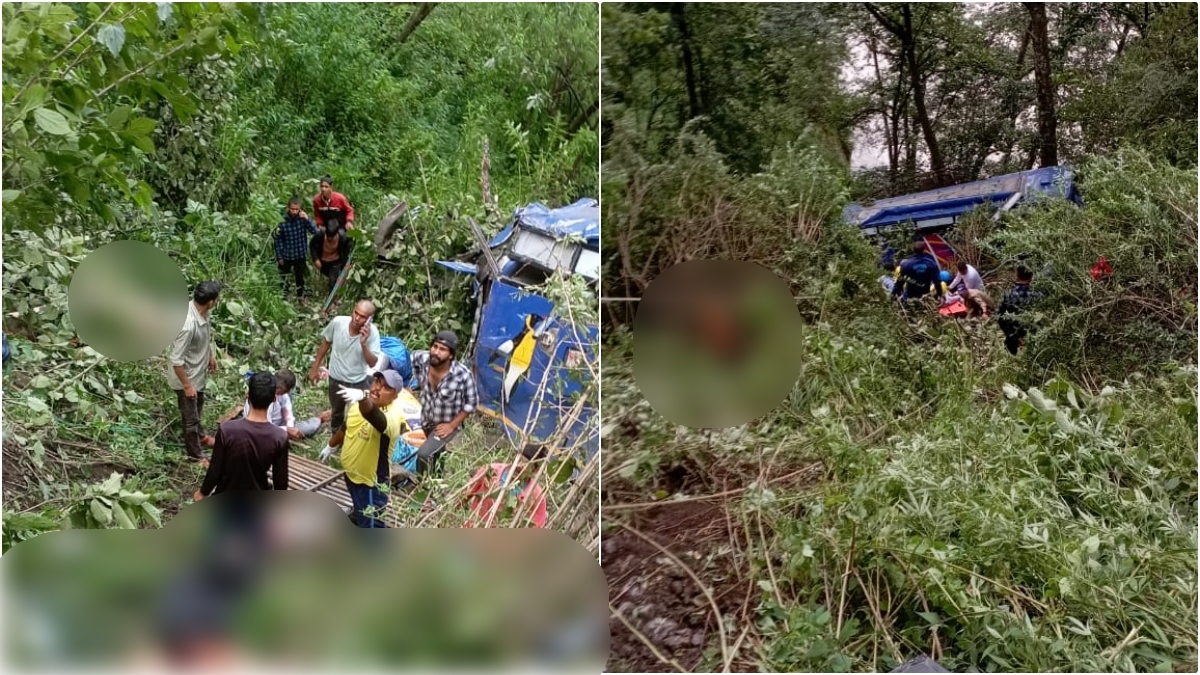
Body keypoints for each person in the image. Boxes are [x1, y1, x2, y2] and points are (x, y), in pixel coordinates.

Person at [325, 369, 408, 528]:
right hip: (351, 475)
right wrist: (331, 445)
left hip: (371, 485)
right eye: (377, 381)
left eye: (386, 387)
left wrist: (363, 398)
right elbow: (346, 427)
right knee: (359, 508)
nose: (377, 388)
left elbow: (372, 415)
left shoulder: (392, 418)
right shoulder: (361, 401)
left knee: (372, 528)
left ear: (395, 396)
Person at [194, 371, 290, 499]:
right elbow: (280, 481)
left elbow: (215, 470)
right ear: (273, 399)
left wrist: (202, 493)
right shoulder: (279, 437)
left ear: (248, 396)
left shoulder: (227, 430)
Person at [310, 301, 383, 460]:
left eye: (362, 317)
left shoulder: (373, 334)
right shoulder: (338, 323)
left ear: (369, 319)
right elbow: (325, 343)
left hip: (357, 382)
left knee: (355, 417)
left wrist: (363, 343)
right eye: (355, 313)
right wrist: (315, 367)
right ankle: (334, 444)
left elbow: (372, 363)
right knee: (336, 413)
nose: (356, 318)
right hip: (335, 379)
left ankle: (352, 446)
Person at [411, 330, 479, 477]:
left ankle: (422, 487)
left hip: (446, 424)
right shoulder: (423, 359)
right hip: (426, 418)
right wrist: (412, 383)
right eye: (434, 346)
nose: (436, 352)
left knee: (423, 454)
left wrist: (452, 425)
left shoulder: (462, 375)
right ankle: (437, 483)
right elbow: (411, 359)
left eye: (442, 349)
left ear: (451, 355)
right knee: (437, 451)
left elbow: (472, 403)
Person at [169, 281, 221, 465]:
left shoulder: (203, 313)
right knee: (190, 419)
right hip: (186, 377)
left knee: (198, 405)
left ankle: (202, 437)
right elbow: (176, 361)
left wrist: (210, 355)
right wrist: (187, 385)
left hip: (197, 373)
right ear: (211, 302)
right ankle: (195, 455)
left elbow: (205, 337)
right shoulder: (188, 325)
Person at [216, 370, 331, 441]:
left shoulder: (282, 394)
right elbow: (263, 428)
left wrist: (289, 426)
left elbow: (287, 410)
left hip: (274, 425)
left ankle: (318, 419)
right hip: (262, 429)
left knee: (307, 428)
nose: (281, 394)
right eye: (281, 391)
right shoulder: (263, 396)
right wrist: (286, 430)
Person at [463, 443, 550, 528]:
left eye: (525, 464)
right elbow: (465, 494)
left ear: (535, 469)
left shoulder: (536, 495)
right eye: (519, 459)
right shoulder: (492, 471)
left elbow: (537, 525)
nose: (519, 465)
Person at [273, 198, 317, 300]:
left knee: (300, 278)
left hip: (300, 254)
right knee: (283, 277)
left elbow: (315, 231)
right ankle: (283, 297)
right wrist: (279, 256)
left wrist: (307, 219)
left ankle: (300, 297)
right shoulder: (282, 221)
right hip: (286, 255)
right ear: (288, 208)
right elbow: (278, 240)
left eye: (297, 209)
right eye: (292, 209)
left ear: (300, 209)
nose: (294, 211)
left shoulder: (302, 219)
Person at [997, 265, 1041, 355]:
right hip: (1034, 338)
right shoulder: (1037, 295)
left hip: (1013, 341)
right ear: (1031, 276)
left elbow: (1000, 318)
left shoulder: (1008, 295)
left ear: (1016, 275)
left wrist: (1013, 336)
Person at [309, 220, 352, 292]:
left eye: (332, 238)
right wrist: (316, 259)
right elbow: (312, 245)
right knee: (331, 277)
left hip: (335, 261)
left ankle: (332, 301)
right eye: (328, 238)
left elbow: (346, 252)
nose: (330, 240)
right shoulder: (320, 235)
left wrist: (347, 265)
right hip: (323, 261)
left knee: (333, 281)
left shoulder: (343, 238)